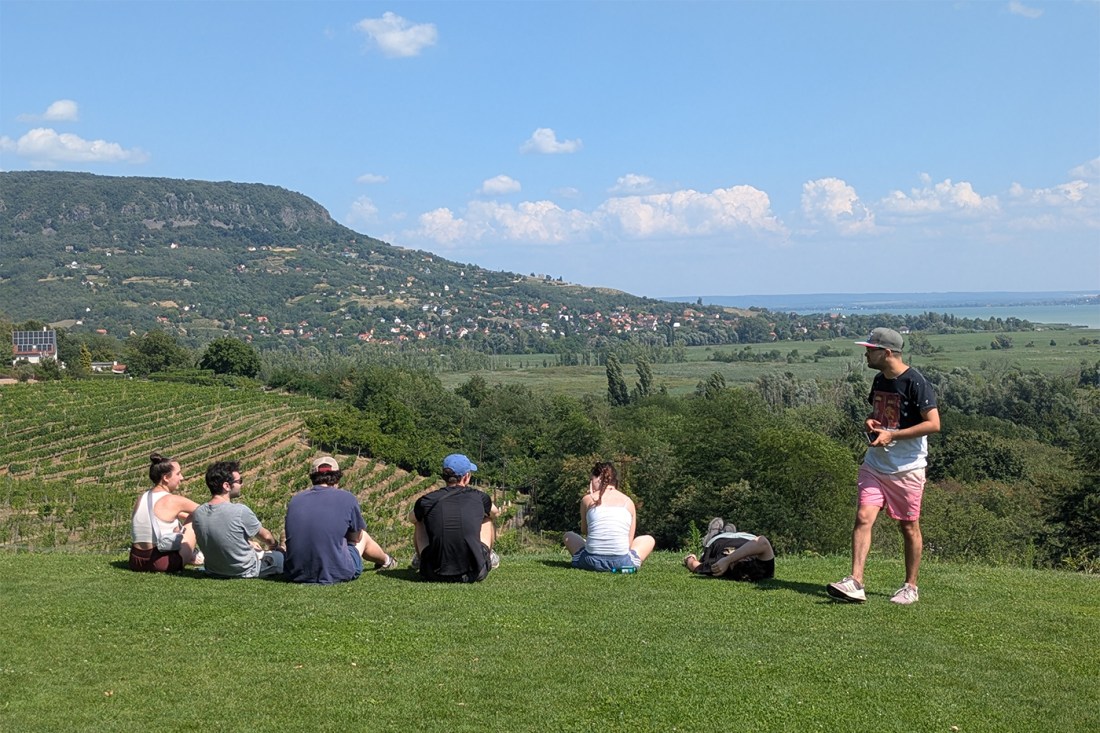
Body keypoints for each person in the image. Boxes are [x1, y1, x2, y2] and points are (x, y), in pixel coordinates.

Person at [827, 327, 940, 605]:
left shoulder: (916, 382)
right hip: (875, 464)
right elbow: (880, 413)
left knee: (908, 526)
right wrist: (871, 421)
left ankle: (910, 587)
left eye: (870, 349)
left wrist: (893, 435)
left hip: (907, 468)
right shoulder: (879, 380)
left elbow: (934, 424)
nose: (865, 353)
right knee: (864, 517)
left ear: (887, 352)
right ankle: (855, 582)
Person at [283, 456, 396, 584]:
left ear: (313, 477)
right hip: (336, 573)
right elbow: (356, 538)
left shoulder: (295, 500)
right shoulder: (347, 498)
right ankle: (387, 561)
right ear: (337, 477)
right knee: (363, 536)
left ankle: (386, 561)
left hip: (295, 572)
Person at [412, 454, 500, 583]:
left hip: (433, 574)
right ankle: (488, 556)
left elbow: (411, 518)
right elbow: (495, 513)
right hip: (474, 573)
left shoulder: (428, 500)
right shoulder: (479, 497)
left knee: (420, 520)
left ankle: (421, 559)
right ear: (466, 477)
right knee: (487, 518)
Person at [191, 460, 284, 579]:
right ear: (226, 486)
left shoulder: (199, 512)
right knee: (279, 557)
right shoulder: (240, 511)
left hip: (213, 570)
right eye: (239, 481)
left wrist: (248, 543)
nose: (241, 484)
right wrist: (275, 545)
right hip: (245, 570)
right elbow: (266, 536)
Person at [562, 461, 656, 572]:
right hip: (622, 563)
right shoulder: (628, 502)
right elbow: (629, 542)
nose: (590, 483)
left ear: (598, 479)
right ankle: (625, 565)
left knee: (568, 536)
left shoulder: (587, 499)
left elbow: (585, 531)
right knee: (648, 539)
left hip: (590, 562)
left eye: (591, 480)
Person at [129, 452, 203, 572]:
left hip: (136, 561)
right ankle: (197, 554)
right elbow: (210, 513)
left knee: (186, 517)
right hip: (161, 563)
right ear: (166, 478)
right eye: (178, 474)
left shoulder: (142, 497)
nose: (182, 478)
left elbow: (165, 515)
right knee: (195, 517)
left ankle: (191, 554)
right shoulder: (172, 500)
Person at [683, 516, 775, 581]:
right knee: (730, 533)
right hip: (747, 537)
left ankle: (715, 532)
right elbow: (762, 541)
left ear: (731, 567)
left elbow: (695, 566)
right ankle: (726, 531)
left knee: (714, 537)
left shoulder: (719, 565)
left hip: (718, 539)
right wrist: (728, 560)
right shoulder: (765, 568)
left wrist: (689, 558)